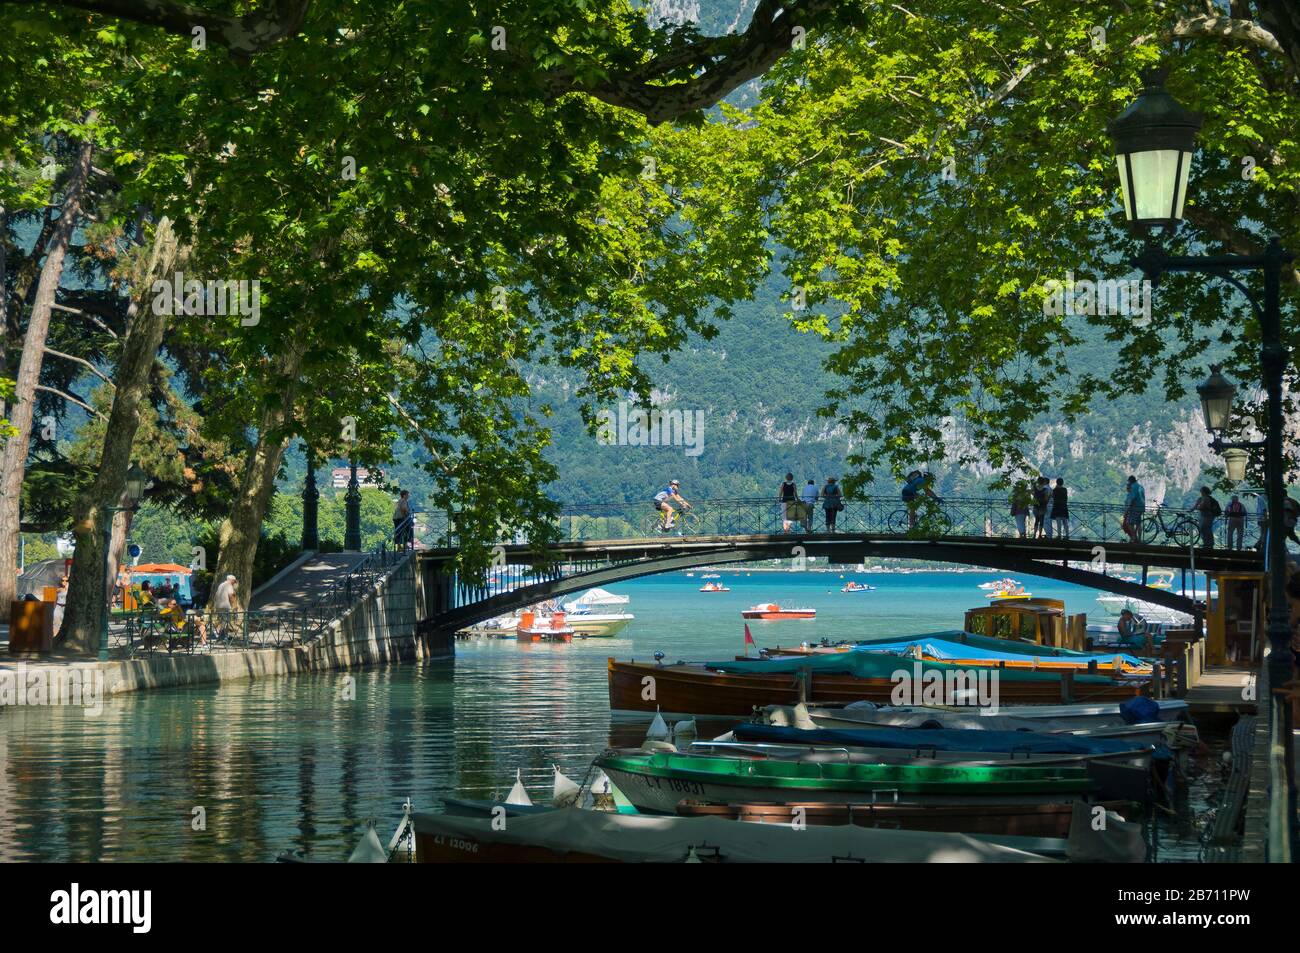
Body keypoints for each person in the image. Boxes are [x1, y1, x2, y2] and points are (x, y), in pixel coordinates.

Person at [1122, 475, 1145, 543]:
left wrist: (1126, 510)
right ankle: (1139, 539)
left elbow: (1131, 499)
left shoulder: (1133, 487)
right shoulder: (1141, 487)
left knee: (1129, 523)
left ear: (1130, 481)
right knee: (1138, 523)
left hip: (1135, 508)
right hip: (1141, 508)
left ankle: (1134, 538)